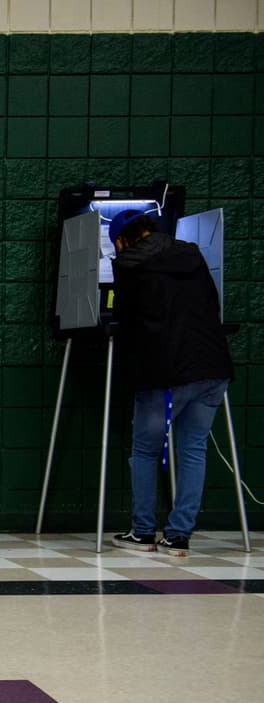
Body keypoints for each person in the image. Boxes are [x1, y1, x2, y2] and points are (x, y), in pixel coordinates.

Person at [109, 210, 234, 557]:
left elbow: (126, 317)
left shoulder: (129, 264)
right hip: (212, 365)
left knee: (146, 452)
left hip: (165, 372)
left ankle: (144, 532)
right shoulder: (192, 253)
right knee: (193, 450)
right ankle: (178, 537)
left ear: (122, 240)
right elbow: (212, 303)